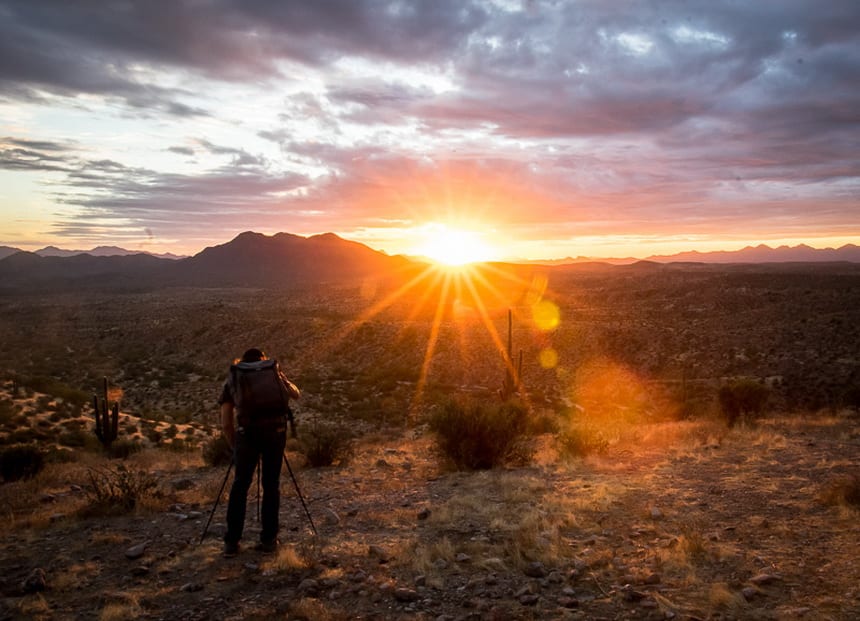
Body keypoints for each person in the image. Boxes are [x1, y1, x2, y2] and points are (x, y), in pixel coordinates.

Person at [218, 347, 300, 557]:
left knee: (240, 486)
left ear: (242, 361)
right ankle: (269, 540)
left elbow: (226, 422)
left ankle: (232, 542)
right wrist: (281, 376)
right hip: (276, 432)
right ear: (262, 360)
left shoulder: (235, 376)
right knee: (271, 485)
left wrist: (234, 445)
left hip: (247, 435)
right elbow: (296, 394)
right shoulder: (272, 372)